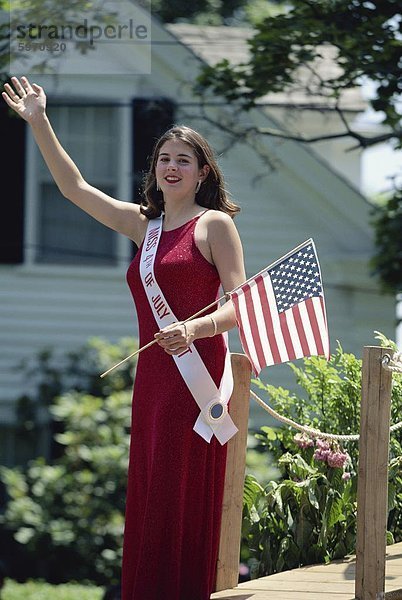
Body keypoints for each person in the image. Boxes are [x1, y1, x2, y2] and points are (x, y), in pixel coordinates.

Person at [2, 76, 246, 600]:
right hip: (154, 381)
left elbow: (239, 304)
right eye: (164, 159)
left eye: (184, 159)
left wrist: (194, 328)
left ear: (203, 172)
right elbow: (74, 189)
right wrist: (40, 121)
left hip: (196, 377)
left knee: (180, 496)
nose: (172, 167)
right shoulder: (145, 226)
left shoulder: (215, 226)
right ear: (154, 171)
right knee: (151, 494)